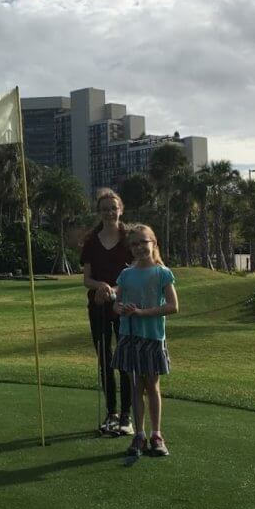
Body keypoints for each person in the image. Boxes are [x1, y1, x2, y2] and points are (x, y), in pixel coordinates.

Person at [112, 223, 179, 459]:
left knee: (152, 386)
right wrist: (122, 309)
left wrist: (142, 312)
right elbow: (116, 304)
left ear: (154, 243)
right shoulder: (126, 274)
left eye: (143, 242)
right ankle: (138, 434)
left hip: (152, 337)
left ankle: (156, 434)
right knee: (135, 386)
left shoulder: (162, 273)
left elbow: (172, 306)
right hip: (130, 337)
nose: (139, 247)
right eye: (134, 243)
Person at [80, 188, 134, 436]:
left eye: (113, 208)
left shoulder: (130, 237)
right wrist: (100, 287)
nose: (110, 213)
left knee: (125, 361)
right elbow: (87, 279)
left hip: (124, 307)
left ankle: (126, 415)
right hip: (99, 307)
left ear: (120, 209)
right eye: (105, 209)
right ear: (99, 212)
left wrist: (114, 289)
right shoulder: (91, 240)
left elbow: (135, 274)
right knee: (105, 360)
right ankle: (111, 412)